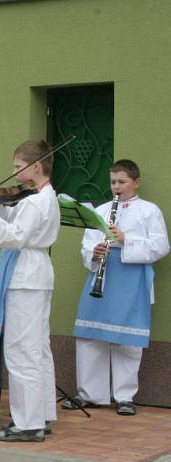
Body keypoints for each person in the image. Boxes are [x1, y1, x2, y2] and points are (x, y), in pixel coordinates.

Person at [0, 139, 60, 442]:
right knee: (38, 349)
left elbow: (15, 237)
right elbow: (17, 223)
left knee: (21, 351)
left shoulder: (34, 201)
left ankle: (28, 423)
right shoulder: (42, 197)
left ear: (37, 166)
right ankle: (40, 415)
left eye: (18, 167)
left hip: (26, 277)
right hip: (36, 274)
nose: (14, 172)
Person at [64, 160, 169, 416]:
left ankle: (124, 396)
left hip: (132, 277)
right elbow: (86, 245)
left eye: (121, 182)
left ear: (136, 182)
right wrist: (94, 252)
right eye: (113, 182)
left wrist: (126, 239)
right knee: (90, 336)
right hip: (102, 274)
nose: (116, 187)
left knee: (127, 341)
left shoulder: (149, 211)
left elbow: (161, 246)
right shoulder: (100, 210)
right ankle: (90, 394)